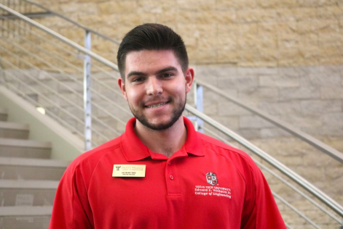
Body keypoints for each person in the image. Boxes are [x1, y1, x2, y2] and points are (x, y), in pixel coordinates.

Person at [49, 23, 286, 229]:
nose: (154, 89)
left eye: (166, 74)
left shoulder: (239, 168)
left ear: (188, 79)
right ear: (123, 89)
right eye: (139, 79)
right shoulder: (84, 174)